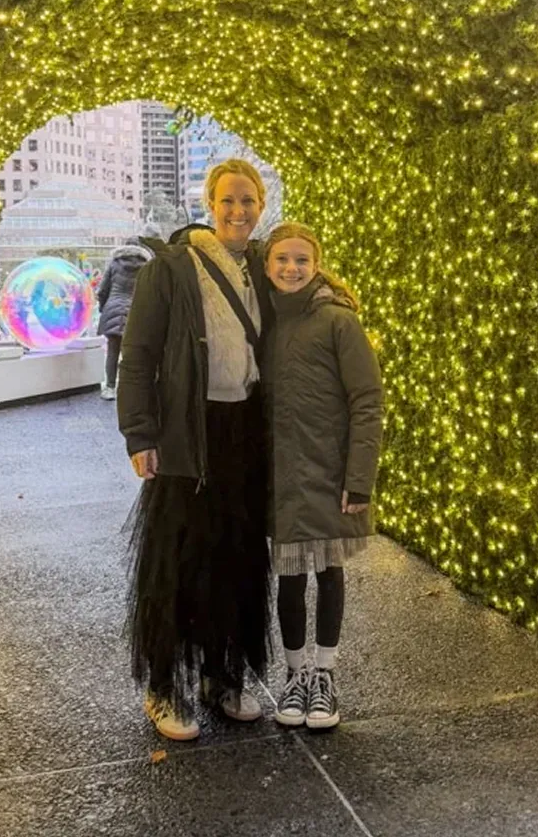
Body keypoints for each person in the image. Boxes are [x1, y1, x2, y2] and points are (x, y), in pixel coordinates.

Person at [117, 158, 272, 741]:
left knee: (235, 560)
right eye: (228, 200)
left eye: (248, 202)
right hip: (188, 434)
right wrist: (140, 434)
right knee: (176, 565)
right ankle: (163, 687)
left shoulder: (262, 264)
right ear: (209, 203)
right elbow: (138, 356)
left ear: (261, 207)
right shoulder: (172, 269)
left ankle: (222, 674)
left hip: (244, 433)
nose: (238, 212)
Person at [263, 222, 383, 730]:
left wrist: (360, 477)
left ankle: (325, 677)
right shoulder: (262, 319)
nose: (292, 269)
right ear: (267, 265)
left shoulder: (338, 321)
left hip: (328, 470)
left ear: (316, 264)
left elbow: (367, 400)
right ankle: (294, 675)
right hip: (279, 473)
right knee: (289, 578)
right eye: (282, 260)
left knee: (328, 573)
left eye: (301, 260)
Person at [96, 238, 154, 401]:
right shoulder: (148, 266)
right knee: (133, 353)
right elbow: (150, 293)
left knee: (113, 351)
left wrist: (103, 308)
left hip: (113, 307)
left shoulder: (115, 263)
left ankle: (110, 388)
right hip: (135, 312)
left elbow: (102, 290)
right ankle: (134, 389)